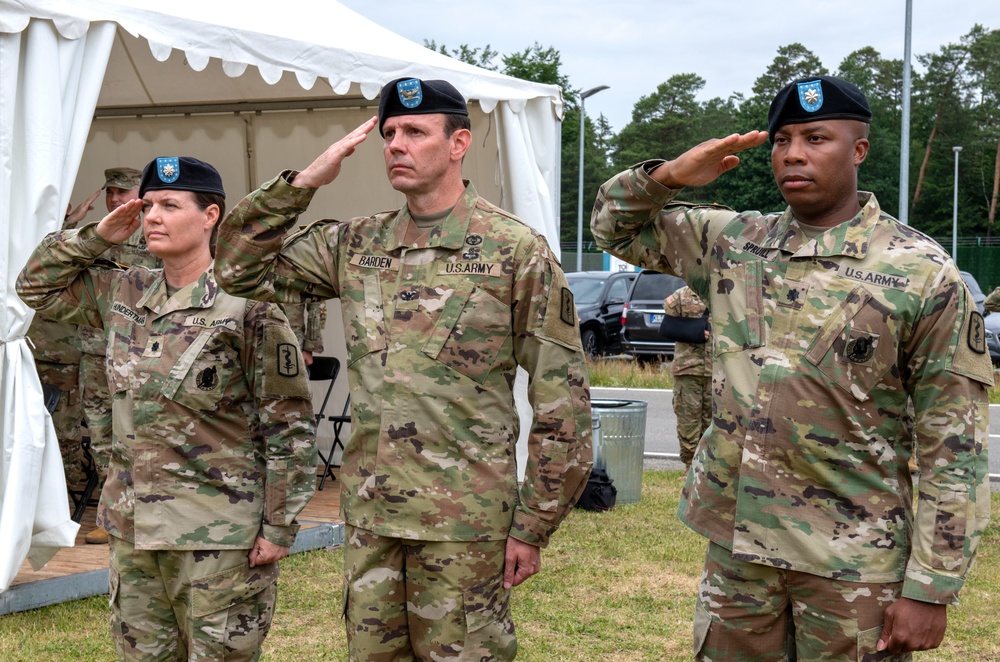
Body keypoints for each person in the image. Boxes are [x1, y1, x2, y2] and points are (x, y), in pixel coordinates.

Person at [591, 75, 992, 660]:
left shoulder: (921, 271)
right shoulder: (733, 241)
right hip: (738, 549)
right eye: (782, 140)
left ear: (859, 150)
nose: (794, 154)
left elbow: (952, 443)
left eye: (816, 138)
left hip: (852, 560)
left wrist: (932, 587)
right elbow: (611, 226)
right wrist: (671, 176)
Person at [213, 77, 593, 660]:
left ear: (458, 142)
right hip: (372, 516)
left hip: (464, 523)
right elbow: (235, 266)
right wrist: (304, 183)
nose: (396, 144)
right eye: (389, 133)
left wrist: (533, 525)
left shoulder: (513, 250)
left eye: (415, 132)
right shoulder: (356, 245)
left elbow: (562, 402)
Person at [17, 156, 317, 661]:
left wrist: (279, 525)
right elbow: (33, 287)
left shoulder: (248, 305)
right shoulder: (123, 289)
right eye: (149, 204)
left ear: (210, 216)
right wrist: (97, 236)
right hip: (133, 528)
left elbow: (288, 425)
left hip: (217, 534)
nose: (152, 215)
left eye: (170, 205)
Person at [65, 167, 164, 545]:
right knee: (103, 438)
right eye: (110, 192)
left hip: (137, 352)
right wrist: (71, 223)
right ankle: (115, 517)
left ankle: (148, 512)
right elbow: (53, 261)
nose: (114, 199)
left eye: (123, 192)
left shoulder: (154, 235)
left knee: (138, 434)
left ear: (140, 194)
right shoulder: (98, 236)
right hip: (94, 350)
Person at [662, 285, 711, 470]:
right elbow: (668, 324)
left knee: (713, 423)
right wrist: (694, 330)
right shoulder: (682, 295)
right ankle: (690, 467)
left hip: (718, 370)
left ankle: (708, 470)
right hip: (688, 369)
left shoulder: (723, 294)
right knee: (688, 422)